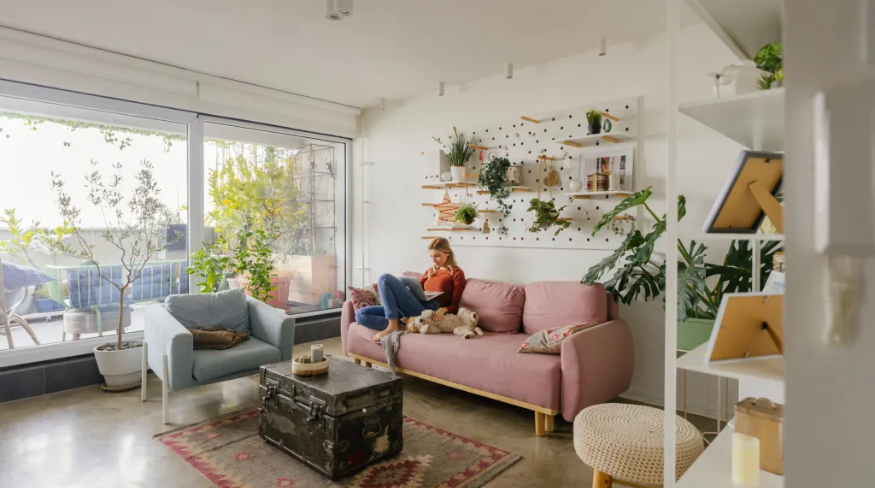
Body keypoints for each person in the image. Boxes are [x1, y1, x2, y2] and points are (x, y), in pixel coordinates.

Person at [355, 237, 467, 342]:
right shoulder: (430, 271)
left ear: (447, 253)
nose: (434, 260)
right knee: (361, 314)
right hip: (415, 306)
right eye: (431, 256)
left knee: (384, 278)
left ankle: (392, 325)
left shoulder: (456, 273)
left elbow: (455, 305)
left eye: (437, 256)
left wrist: (443, 309)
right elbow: (417, 288)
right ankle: (404, 325)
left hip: (429, 311)